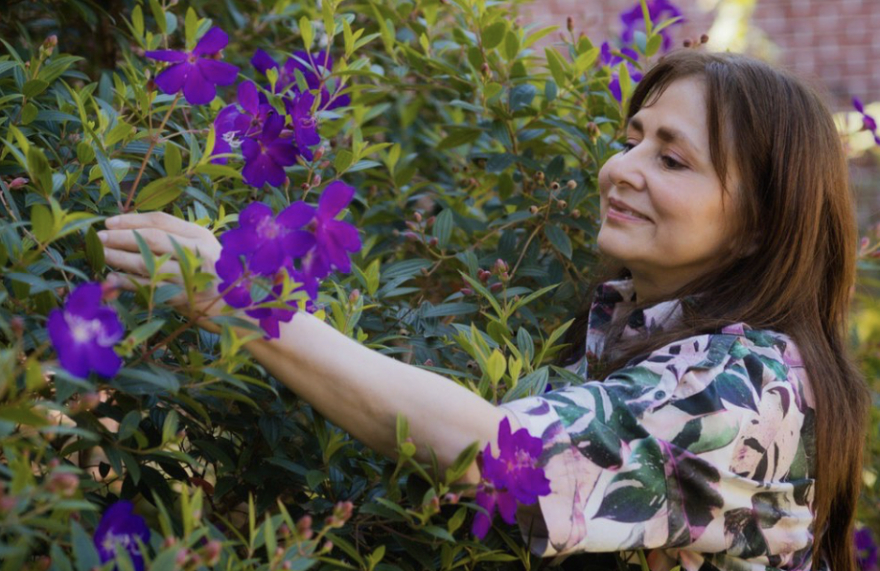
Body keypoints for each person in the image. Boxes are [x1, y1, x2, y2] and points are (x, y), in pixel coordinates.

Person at [97, 50, 869, 570]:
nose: (620, 169)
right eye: (631, 138)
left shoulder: (748, 388)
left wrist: (236, 293)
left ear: (760, 225)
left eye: (671, 158)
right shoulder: (639, 331)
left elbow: (491, 450)